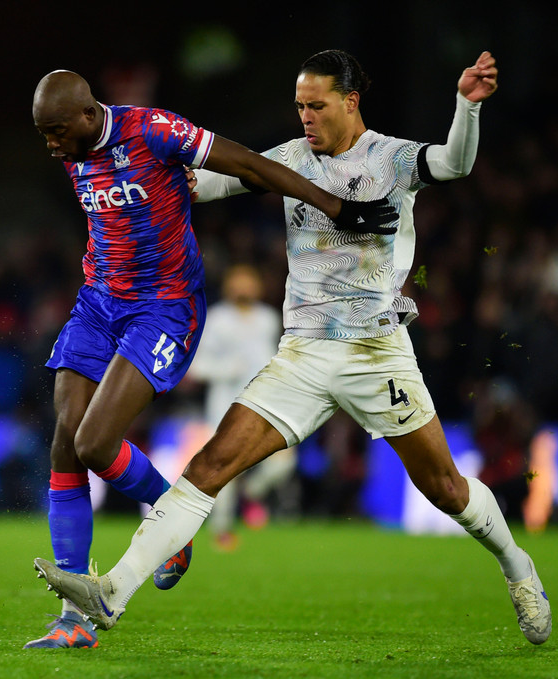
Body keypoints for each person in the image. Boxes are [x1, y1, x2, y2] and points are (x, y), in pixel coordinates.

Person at [33, 50, 553, 648]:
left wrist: (466, 106)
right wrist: (148, 172)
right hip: (302, 356)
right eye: (299, 105)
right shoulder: (285, 160)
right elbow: (198, 181)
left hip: (375, 353)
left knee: (445, 489)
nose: (304, 116)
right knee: (207, 469)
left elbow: (454, 165)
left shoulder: (392, 158)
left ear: (351, 101)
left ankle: (518, 567)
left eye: (317, 105)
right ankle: (113, 591)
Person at [24, 69, 399, 649]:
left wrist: (335, 207)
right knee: (64, 441)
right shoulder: (72, 149)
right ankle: (72, 620)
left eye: (54, 131)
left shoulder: (152, 131)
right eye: (42, 133)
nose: (49, 144)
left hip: (163, 307)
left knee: (95, 444)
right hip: (98, 302)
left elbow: (249, 165)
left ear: (87, 115)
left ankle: (169, 522)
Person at [186, 264, 297, 549]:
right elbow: (195, 367)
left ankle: (252, 492)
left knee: (283, 463)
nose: (244, 289)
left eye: (249, 283)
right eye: (238, 283)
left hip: (265, 405)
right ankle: (222, 530)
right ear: (229, 287)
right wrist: (226, 369)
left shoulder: (269, 319)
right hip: (225, 408)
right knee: (224, 471)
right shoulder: (218, 320)